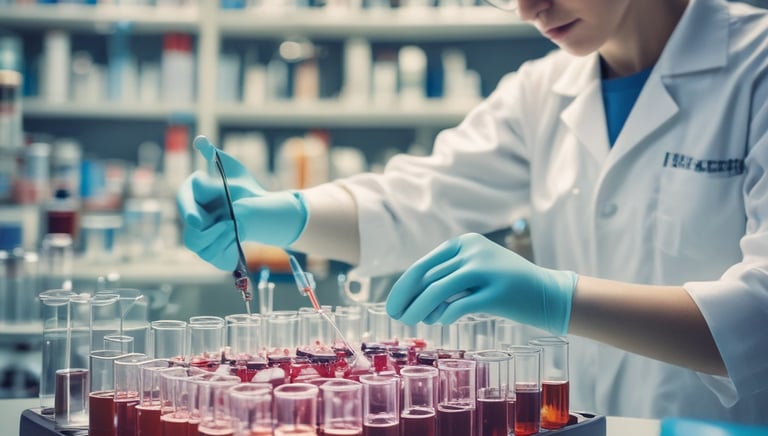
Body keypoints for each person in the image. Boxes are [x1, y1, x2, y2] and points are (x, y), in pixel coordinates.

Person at [177, 0, 768, 424]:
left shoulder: (755, 67)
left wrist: (556, 298)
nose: (529, 8)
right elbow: (420, 198)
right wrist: (283, 212)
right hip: (579, 419)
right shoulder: (539, 89)